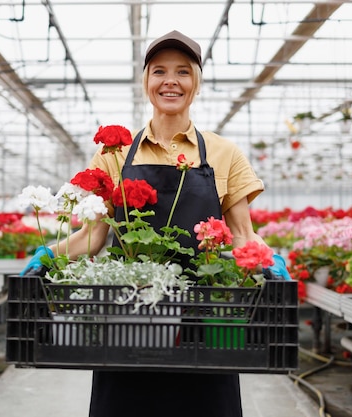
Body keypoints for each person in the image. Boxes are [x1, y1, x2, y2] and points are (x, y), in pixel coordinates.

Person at [21, 30, 290, 417]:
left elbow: (244, 235)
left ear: (196, 81)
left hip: (204, 323)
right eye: (159, 71)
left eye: (183, 71)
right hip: (129, 320)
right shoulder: (115, 154)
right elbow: (92, 238)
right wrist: (48, 255)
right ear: (145, 81)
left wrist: (271, 262)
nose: (171, 81)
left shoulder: (223, 153)